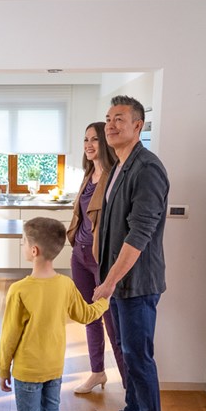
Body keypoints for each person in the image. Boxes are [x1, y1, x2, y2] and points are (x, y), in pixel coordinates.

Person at [0, 217, 110, 411]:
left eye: (23, 241)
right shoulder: (66, 285)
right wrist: (105, 300)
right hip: (54, 369)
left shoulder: (20, 290)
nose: (22, 245)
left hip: (28, 370)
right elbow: (86, 315)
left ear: (33, 250)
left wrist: (2, 369)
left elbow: (9, 337)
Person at [91, 95, 169, 411]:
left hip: (136, 285)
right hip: (120, 283)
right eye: (108, 118)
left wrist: (107, 283)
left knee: (139, 356)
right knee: (125, 350)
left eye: (119, 119)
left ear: (138, 126)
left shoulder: (147, 169)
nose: (110, 125)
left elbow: (139, 235)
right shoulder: (120, 166)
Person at [66, 121, 127, 394]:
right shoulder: (88, 173)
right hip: (79, 256)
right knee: (89, 316)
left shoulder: (115, 176)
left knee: (114, 326)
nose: (89, 145)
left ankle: (130, 391)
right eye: (86, 139)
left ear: (107, 143)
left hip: (102, 260)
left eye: (95, 139)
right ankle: (97, 372)